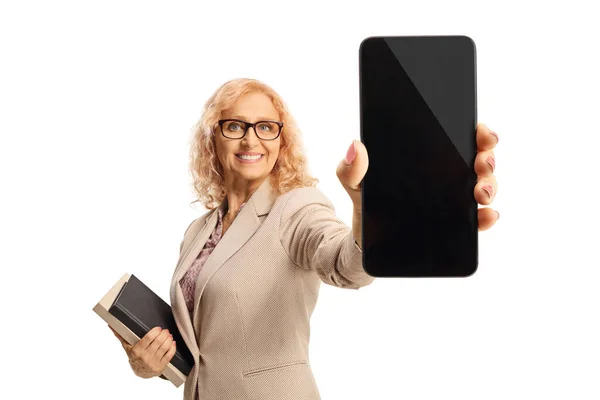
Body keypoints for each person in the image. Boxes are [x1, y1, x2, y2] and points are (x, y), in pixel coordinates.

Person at [110, 78, 500, 399]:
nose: (251, 140)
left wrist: (368, 205)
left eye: (265, 127)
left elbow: (346, 266)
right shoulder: (198, 231)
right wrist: (149, 364)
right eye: (235, 126)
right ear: (213, 139)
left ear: (281, 141)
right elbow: (204, 348)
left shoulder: (296, 208)